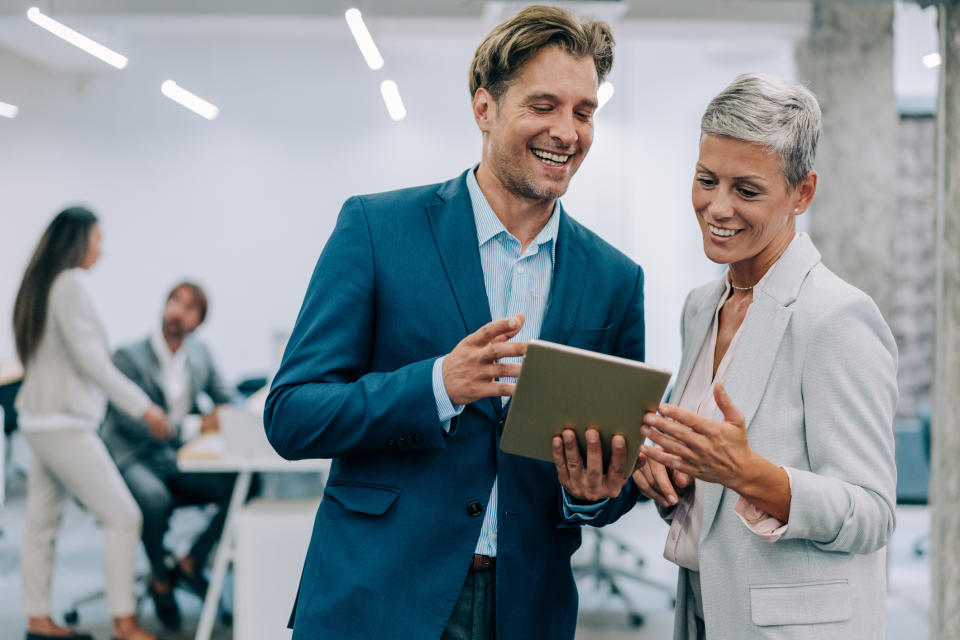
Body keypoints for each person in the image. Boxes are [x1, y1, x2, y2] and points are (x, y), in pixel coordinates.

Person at [264, 6, 647, 639]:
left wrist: (595, 492)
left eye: (584, 112)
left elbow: (617, 474)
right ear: (484, 109)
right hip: (380, 597)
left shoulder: (614, 279)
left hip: (526, 609)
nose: (567, 132)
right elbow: (292, 414)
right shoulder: (376, 230)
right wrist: (436, 385)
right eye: (543, 105)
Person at [631, 73, 898, 638]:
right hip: (707, 611)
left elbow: (872, 512)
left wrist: (749, 475)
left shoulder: (836, 318)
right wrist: (666, 472)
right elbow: (707, 472)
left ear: (802, 193)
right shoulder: (701, 307)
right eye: (706, 180)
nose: (717, 206)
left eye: (746, 190)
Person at [13, 207, 167, 640]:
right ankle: (124, 623)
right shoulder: (71, 284)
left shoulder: (41, 285)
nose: (102, 249)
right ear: (79, 241)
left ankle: (38, 621)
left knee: (41, 524)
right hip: (64, 424)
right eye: (98, 239)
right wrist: (144, 407)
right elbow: (94, 363)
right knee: (123, 516)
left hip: (39, 421)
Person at [101, 282, 238, 630]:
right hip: (135, 456)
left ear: (199, 321)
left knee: (241, 487)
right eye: (174, 301)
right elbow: (134, 424)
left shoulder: (201, 354)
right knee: (153, 499)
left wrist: (231, 412)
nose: (178, 310)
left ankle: (193, 560)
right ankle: (161, 578)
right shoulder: (128, 357)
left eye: (190, 307)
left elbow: (226, 396)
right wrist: (196, 426)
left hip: (177, 458)